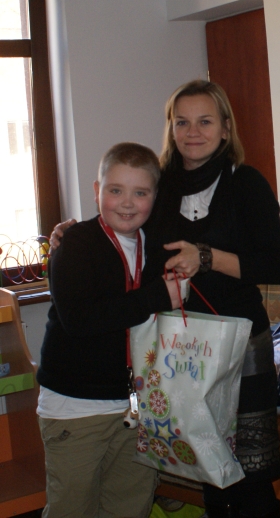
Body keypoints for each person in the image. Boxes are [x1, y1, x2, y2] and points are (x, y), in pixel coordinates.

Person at [151, 79, 280, 518]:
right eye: (182, 122)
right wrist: (73, 235)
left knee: (251, 477)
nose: (193, 132)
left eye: (205, 121)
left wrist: (205, 257)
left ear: (226, 129)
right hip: (184, 349)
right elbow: (125, 227)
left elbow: (277, 267)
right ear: (171, 130)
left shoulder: (246, 183)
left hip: (242, 348)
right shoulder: (158, 187)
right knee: (209, 469)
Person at [37, 142, 183, 518]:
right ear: (96, 190)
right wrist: (155, 296)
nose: (127, 203)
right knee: (72, 510)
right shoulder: (76, 243)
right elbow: (80, 320)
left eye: (141, 193)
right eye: (115, 190)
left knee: (130, 507)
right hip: (75, 408)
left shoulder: (158, 246)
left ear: (155, 196)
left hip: (137, 406)